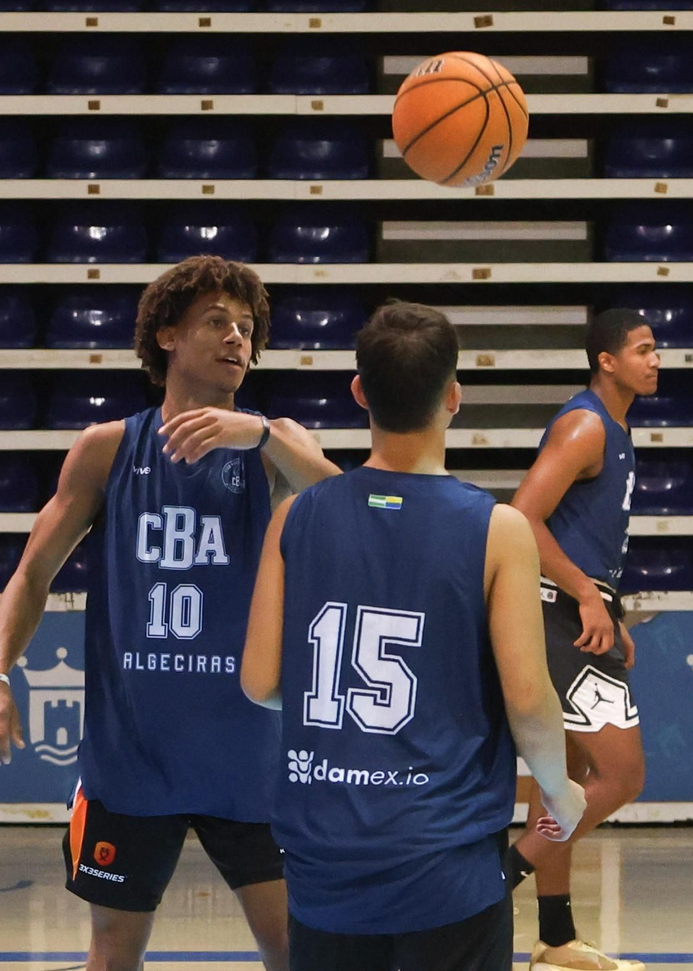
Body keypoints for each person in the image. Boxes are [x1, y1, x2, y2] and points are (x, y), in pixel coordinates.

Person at [0, 255, 340, 971]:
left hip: (252, 758)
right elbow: (32, 574)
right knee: (113, 952)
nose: (238, 338)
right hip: (133, 761)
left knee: (295, 947)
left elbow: (355, 512)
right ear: (166, 336)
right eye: (216, 322)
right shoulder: (109, 450)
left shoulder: (278, 446)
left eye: (247, 326)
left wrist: (261, 436)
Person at [241, 301, 587, 971]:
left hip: (323, 865)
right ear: (454, 396)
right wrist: (559, 790)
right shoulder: (496, 529)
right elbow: (526, 698)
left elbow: (260, 681)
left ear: (359, 392)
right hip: (445, 866)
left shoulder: (295, 516)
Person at [504, 308, 659, 971]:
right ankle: (493, 880)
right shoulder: (586, 425)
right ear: (607, 360)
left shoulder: (616, 427)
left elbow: (577, 540)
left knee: (558, 782)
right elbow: (519, 518)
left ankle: (556, 937)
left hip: (572, 610)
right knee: (621, 776)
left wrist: (606, 605)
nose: (656, 360)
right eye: (644, 350)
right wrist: (587, 594)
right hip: (554, 616)